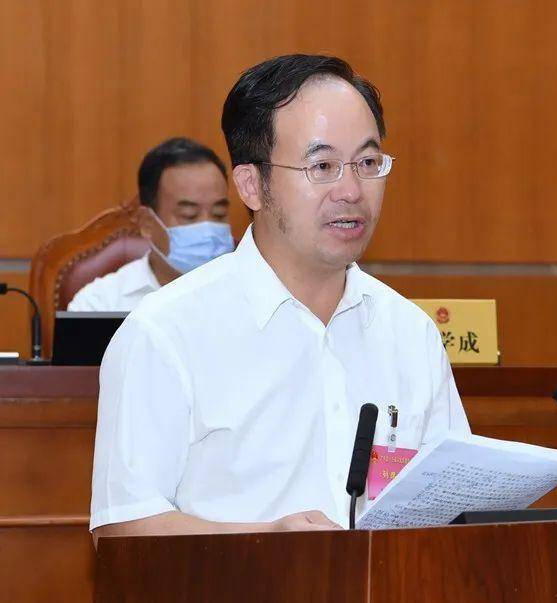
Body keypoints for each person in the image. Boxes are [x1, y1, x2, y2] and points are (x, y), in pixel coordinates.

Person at [90, 54, 470, 540]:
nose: (352, 190)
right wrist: (270, 540)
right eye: (323, 166)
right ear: (252, 185)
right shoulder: (165, 333)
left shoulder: (411, 333)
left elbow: (455, 509)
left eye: (367, 163)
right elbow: (121, 529)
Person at [67, 137, 234, 311]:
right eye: (189, 215)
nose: (208, 230)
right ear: (147, 223)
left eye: (219, 214)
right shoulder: (100, 304)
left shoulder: (250, 292)